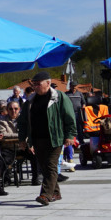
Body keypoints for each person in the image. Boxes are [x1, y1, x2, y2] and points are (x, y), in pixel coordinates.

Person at [19, 72, 76, 205]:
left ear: (48, 83)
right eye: (34, 84)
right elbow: (22, 122)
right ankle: (55, 192)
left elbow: (69, 117)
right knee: (44, 167)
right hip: (37, 138)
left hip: (55, 137)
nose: (36, 87)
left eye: (39, 84)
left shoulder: (59, 97)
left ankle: (45, 194)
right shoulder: (30, 100)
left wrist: (70, 135)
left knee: (51, 165)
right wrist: (22, 139)